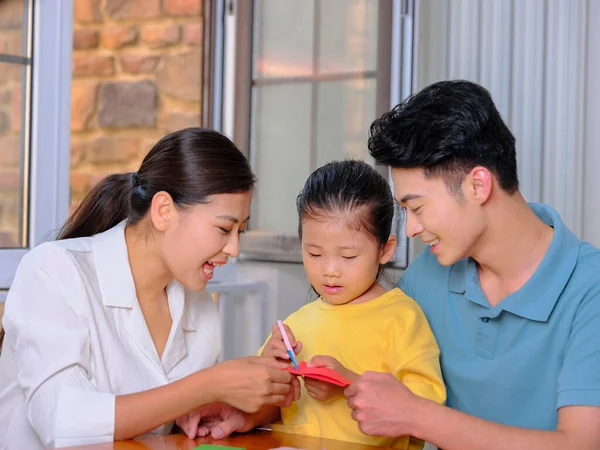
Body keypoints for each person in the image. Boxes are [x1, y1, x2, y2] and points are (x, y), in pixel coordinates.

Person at [0, 128, 298, 450]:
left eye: (240, 230)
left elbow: (172, 424)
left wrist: (233, 408)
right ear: (164, 211)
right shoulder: (54, 270)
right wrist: (208, 386)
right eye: (224, 229)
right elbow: (61, 420)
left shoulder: (198, 306)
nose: (234, 248)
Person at [344, 80, 600, 450]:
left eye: (416, 208)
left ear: (477, 186)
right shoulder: (429, 273)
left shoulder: (589, 290)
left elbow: (581, 444)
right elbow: (362, 360)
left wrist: (419, 416)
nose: (412, 229)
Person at [177, 160, 446, 449]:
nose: (330, 270)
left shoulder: (402, 317)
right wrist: (270, 369)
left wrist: (348, 384)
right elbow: (271, 402)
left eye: (348, 257)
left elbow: (426, 407)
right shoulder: (297, 323)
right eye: (315, 254)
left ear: (385, 250)